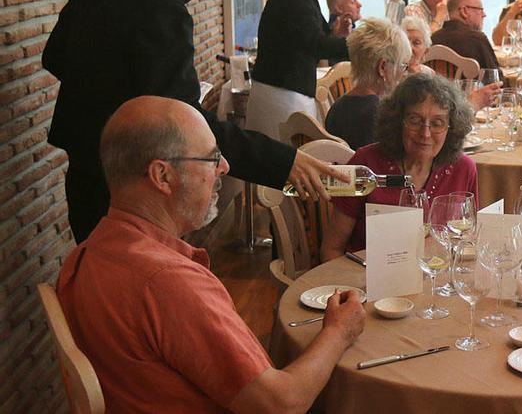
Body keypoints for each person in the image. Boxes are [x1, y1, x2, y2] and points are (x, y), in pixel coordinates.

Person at [56, 96, 365, 412]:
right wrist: (339, 331)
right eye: (211, 158)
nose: (224, 167)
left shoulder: (88, 254)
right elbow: (282, 404)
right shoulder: (168, 283)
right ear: (162, 176)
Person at [42, 0, 340, 243]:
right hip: (130, 193)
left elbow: (54, 57)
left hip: (81, 176)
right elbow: (189, 128)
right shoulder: (162, 7)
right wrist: (284, 162)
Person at [321, 74, 478, 261]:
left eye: (437, 123)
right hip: (366, 279)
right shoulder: (366, 163)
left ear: (451, 128)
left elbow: (469, 245)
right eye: (414, 120)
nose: (425, 133)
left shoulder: (463, 168)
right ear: (397, 121)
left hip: (437, 281)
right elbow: (331, 250)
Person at [249, 0, 351, 130]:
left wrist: (334, 34)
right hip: (281, 96)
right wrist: (362, 45)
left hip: (286, 93)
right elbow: (316, 44)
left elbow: (310, 36)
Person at [325, 18, 411, 150]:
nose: (405, 73)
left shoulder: (336, 107)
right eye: (403, 65)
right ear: (382, 67)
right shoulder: (382, 115)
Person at [402, 15, 502, 111]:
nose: (409, 47)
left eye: (416, 43)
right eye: (405, 41)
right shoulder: (392, 73)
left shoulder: (429, 74)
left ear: (426, 51)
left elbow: (443, 108)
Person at [432, 0, 500, 70]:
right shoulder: (477, 39)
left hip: (441, 83)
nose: (484, 14)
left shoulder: (434, 39)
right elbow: (495, 78)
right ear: (464, 11)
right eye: (480, 9)